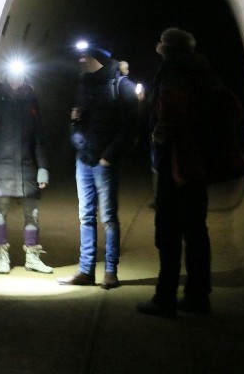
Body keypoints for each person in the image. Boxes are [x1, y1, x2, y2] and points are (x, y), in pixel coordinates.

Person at [137, 27, 221, 317]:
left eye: (161, 40)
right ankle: (198, 297)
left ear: (169, 47)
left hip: (175, 162)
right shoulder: (203, 72)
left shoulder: (172, 72)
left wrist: (157, 137)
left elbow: (171, 113)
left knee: (169, 231)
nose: (157, 44)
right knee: (196, 231)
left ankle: (165, 297)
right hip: (199, 161)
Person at [58, 43, 137, 289]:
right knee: (86, 216)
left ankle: (110, 271)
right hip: (84, 159)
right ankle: (86, 270)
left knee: (109, 217)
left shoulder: (121, 85)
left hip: (105, 162)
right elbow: (76, 119)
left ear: (98, 59)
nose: (81, 61)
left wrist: (109, 156)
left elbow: (131, 128)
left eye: (85, 56)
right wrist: (77, 138)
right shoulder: (84, 84)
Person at [0, 61, 53, 275]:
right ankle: (1, 254)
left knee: (33, 214)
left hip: (28, 167)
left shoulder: (31, 103)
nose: (15, 80)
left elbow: (39, 138)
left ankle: (32, 256)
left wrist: (42, 168)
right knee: (0, 211)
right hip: (1, 169)